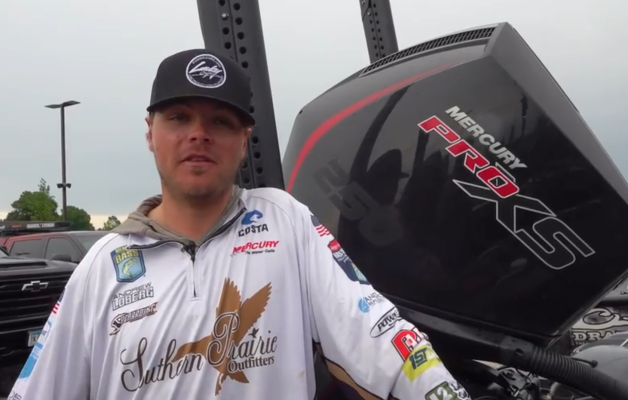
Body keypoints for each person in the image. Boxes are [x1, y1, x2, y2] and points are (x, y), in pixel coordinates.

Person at [8, 49, 470, 400]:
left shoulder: (285, 223)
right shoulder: (103, 265)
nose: (199, 134)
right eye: (179, 117)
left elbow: (377, 332)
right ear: (150, 132)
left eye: (221, 122)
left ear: (244, 140)